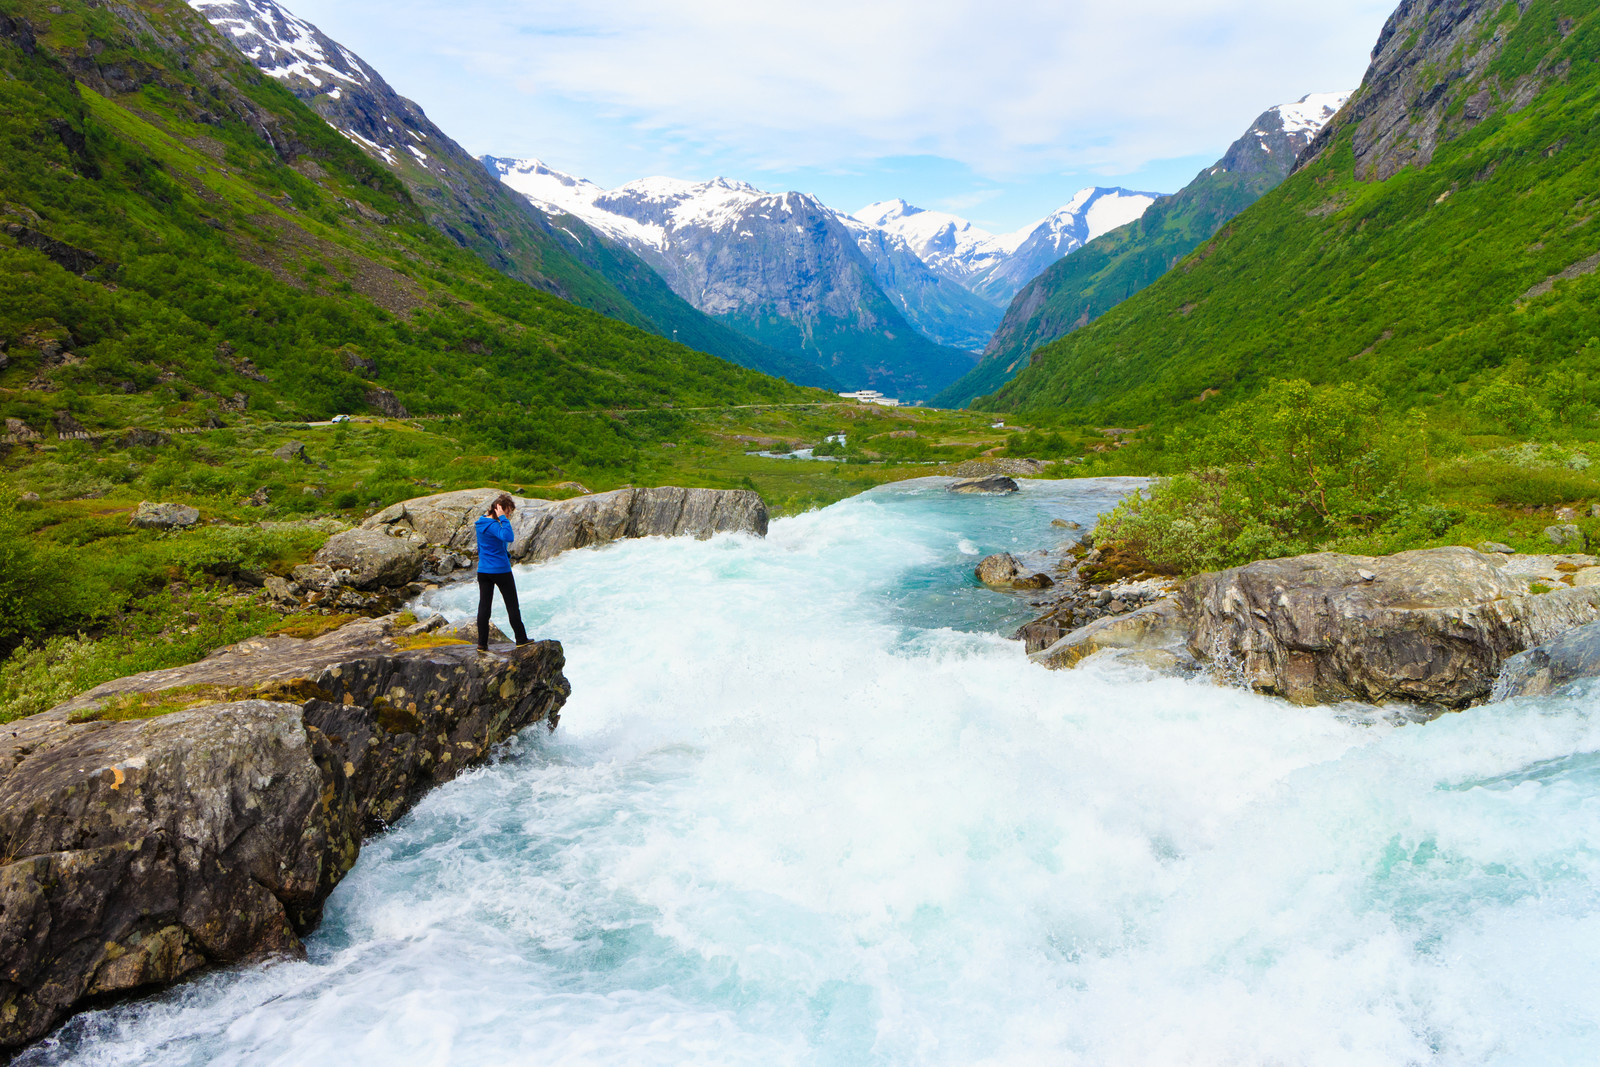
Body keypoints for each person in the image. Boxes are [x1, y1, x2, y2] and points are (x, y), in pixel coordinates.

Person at [474, 493, 529, 652]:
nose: (509, 515)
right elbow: (508, 536)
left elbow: (485, 546)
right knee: (512, 605)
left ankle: (481, 644)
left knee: (484, 607)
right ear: (499, 509)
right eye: (508, 511)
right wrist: (503, 518)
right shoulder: (494, 525)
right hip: (500, 570)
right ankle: (521, 639)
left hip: (483, 570)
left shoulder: (480, 523)